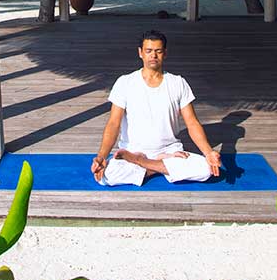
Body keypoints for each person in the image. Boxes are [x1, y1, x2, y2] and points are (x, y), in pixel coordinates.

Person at [91, 30, 222, 186]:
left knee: (205, 169)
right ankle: (159, 166)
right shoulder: (125, 82)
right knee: (106, 176)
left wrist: (208, 152)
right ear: (140, 53)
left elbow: (192, 123)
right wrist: (101, 156)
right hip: (133, 150)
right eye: (148, 51)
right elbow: (113, 123)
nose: (153, 55)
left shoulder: (178, 83)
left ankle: (143, 164)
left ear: (165, 53)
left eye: (158, 51)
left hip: (170, 151)